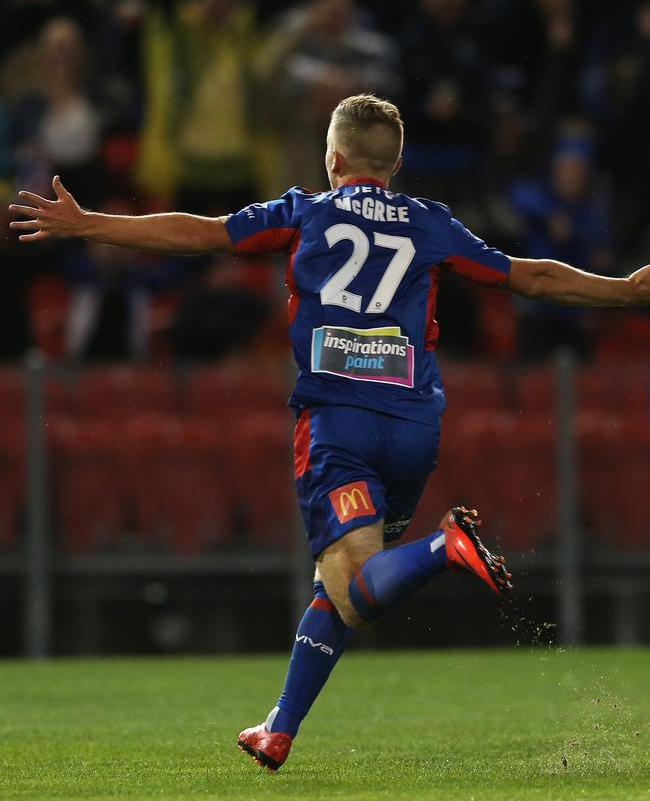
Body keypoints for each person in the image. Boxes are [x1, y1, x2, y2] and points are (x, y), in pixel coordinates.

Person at [10, 94, 650, 772]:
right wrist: (627, 290)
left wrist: (87, 225)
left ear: (333, 157)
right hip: (413, 426)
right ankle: (280, 725)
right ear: (396, 162)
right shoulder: (430, 223)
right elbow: (534, 278)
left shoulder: (305, 211)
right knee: (346, 577)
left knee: (353, 581)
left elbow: (199, 233)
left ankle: (444, 545)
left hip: (338, 423)